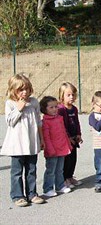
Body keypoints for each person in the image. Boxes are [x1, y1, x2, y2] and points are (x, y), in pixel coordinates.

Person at [1, 74, 45, 207]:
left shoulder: (34, 102)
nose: (24, 92)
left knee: (31, 169)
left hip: (31, 143)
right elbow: (10, 121)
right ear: (13, 90)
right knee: (17, 172)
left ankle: (32, 193)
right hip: (17, 145)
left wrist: (41, 138)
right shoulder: (10, 103)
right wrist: (19, 108)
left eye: (26, 89)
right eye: (21, 90)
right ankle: (17, 195)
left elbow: (38, 122)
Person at [40, 96, 72, 197]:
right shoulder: (45, 121)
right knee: (51, 170)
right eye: (51, 107)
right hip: (52, 151)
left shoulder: (59, 118)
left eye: (56, 107)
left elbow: (64, 133)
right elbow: (46, 137)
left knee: (60, 169)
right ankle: (48, 188)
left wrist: (68, 144)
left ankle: (60, 186)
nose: (54, 109)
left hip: (62, 148)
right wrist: (50, 149)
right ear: (45, 109)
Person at [58, 82, 83, 189]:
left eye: (73, 94)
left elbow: (76, 122)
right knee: (66, 160)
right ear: (62, 96)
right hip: (66, 139)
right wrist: (68, 137)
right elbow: (62, 125)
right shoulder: (61, 109)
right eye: (68, 95)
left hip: (74, 138)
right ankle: (65, 178)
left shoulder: (74, 109)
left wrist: (78, 134)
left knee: (73, 159)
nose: (71, 97)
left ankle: (70, 176)